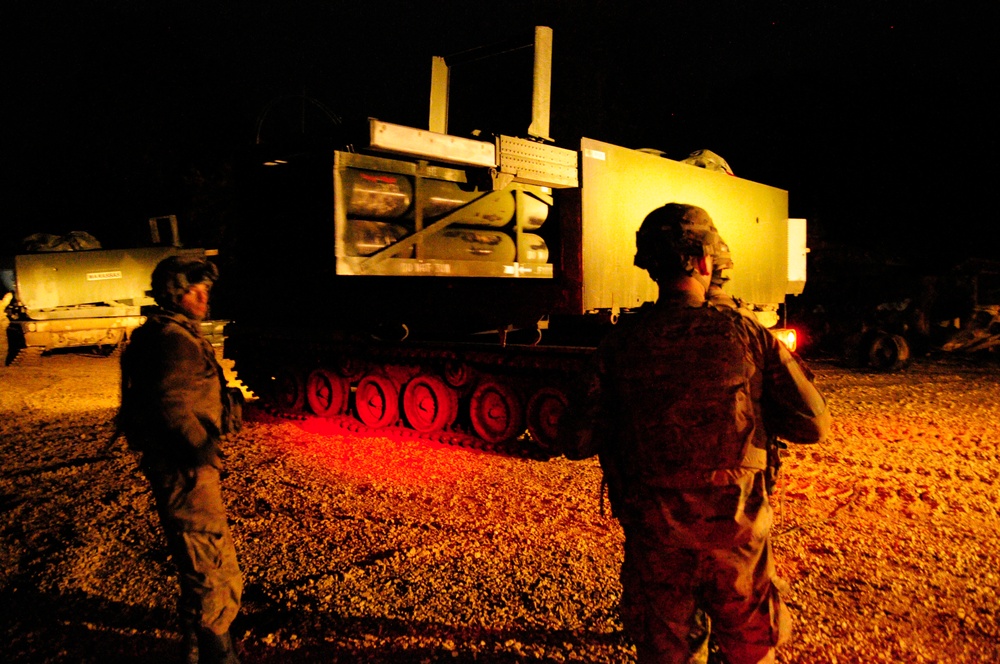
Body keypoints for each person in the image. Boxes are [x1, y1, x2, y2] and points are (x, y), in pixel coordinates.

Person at [560, 203, 830, 664]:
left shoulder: (620, 342)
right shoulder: (746, 334)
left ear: (651, 266)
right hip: (736, 533)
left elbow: (575, 440)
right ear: (706, 262)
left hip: (656, 537)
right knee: (751, 650)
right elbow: (812, 424)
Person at [119, 255, 242, 664]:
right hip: (185, 468)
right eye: (194, 289)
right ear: (175, 293)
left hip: (180, 464)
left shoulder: (170, 333)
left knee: (197, 554)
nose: (203, 297)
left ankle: (196, 647)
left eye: (206, 289)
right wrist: (199, 448)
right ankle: (218, 654)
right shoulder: (173, 339)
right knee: (209, 558)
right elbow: (171, 401)